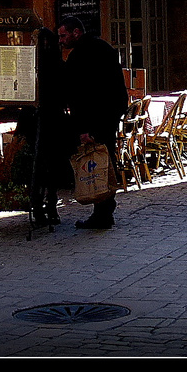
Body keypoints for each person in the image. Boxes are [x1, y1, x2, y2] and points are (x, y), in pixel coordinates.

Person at [58, 15, 128, 229]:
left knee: (100, 166)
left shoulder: (82, 55)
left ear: (76, 32)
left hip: (97, 120)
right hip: (107, 117)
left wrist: (90, 129)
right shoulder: (102, 48)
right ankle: (103, 212)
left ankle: (103, 213)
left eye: (63, 35)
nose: (61, 40)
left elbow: (86, 94)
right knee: (104, 163)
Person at [29, 27, 73, 225]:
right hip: (54, 119)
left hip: (37, 118)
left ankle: (39, 207)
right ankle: (51, 207)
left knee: (38, 165)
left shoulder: (34, 69)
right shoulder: (60, 67)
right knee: (52, 166)